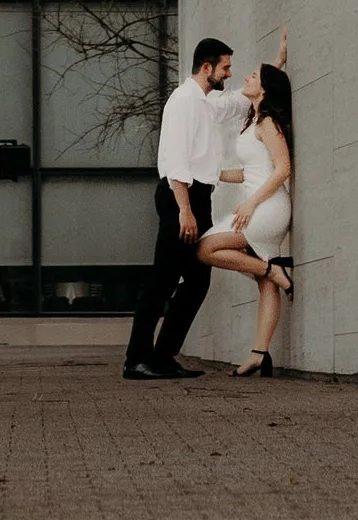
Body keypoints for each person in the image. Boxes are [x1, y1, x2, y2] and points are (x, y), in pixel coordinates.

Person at [122, 23, 287, 382]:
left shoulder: (206, 103)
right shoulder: (183, 102)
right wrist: (184, 210)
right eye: (225, 67)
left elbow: (239, 101)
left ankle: (164, 356)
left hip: (198, 198)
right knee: (162, 281)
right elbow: (175, 163)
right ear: (207, 67)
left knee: (197, 281)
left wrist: (275, 68)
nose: (230, 73)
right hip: (180, 197)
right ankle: (137, 359)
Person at [199, 61, 294, 375]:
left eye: (254, 76)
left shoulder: (268, 123)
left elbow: (282, 169)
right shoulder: (255, 121)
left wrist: (252, 204)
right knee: (264, 281)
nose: (246, 77)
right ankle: (259, 353)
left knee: (205, 249)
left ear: (264, 88)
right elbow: (251, 172)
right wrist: (214, 174)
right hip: (258, 204)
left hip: (267, 208)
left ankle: (272, 269)